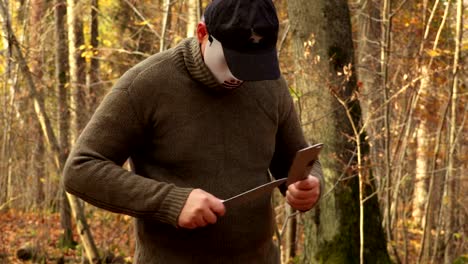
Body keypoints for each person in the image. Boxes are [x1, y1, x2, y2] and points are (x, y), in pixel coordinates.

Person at [63, 0, 323, 263]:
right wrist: (170, 202)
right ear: (202, 34)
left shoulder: (270, 85)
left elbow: (299, 159)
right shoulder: (146, 85)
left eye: (254, 63)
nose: (241, 74)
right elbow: (81, 169)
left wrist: (309, 184)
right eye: (232, 60)